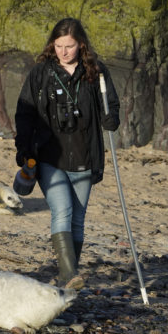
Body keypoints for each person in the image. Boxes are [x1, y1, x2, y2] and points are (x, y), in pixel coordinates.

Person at [14, 18, 120, 289]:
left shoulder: (95, 72)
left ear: (80, 44)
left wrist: (111, 118)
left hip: (85, 156)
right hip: (51, 156)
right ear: (52, 44)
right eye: (59, 45)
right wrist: (24, 149)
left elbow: (111, 106)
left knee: (78, 218)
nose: (63, 51)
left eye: (69, 46)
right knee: (62, 211)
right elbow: (25, 112)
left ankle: (66, 277)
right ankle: (71, 274)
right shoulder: (41, 73)